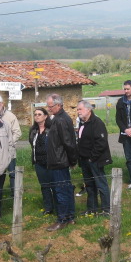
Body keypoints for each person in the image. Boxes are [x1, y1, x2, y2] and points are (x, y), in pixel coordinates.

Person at [45, 93, 79, 231]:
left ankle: (62, 219)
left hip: (59, 161)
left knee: (60, 190)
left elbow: (68, 142)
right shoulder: (60, 118)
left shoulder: (60, 120)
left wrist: (72, 160)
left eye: (51, 106)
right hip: (59, 160)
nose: (48, 108)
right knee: (65, 189)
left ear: (58, 105)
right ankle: (70, 217)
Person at [76, 100, 112, 215]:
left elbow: (101, 142)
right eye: (77, 109)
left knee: (101, 185)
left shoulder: (97, 123)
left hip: (95, 160)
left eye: (80, 109)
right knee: (90, 186)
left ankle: (106, 209)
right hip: (84, 160)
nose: (78, 112)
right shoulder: (82, 123)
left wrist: (92, 158)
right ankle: (92, 209)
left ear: (88, 109)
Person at [0, 94, 22, 198]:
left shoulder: (10, 116)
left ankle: (15, 195)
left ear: (2, 104)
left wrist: (8, 143)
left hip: (9, 152)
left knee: (12, 173)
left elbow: (17, 132)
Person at [29, 107, 57, 216]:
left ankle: (58, 206)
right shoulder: (33, 130)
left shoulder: (51, 129)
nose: (37, 116)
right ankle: (48, 207)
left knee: (54, 185)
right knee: (44, 186)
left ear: (45, 116)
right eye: (35, 114)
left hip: (51, 161)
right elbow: (32, 143)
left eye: (39, 114)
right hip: (39, 162)